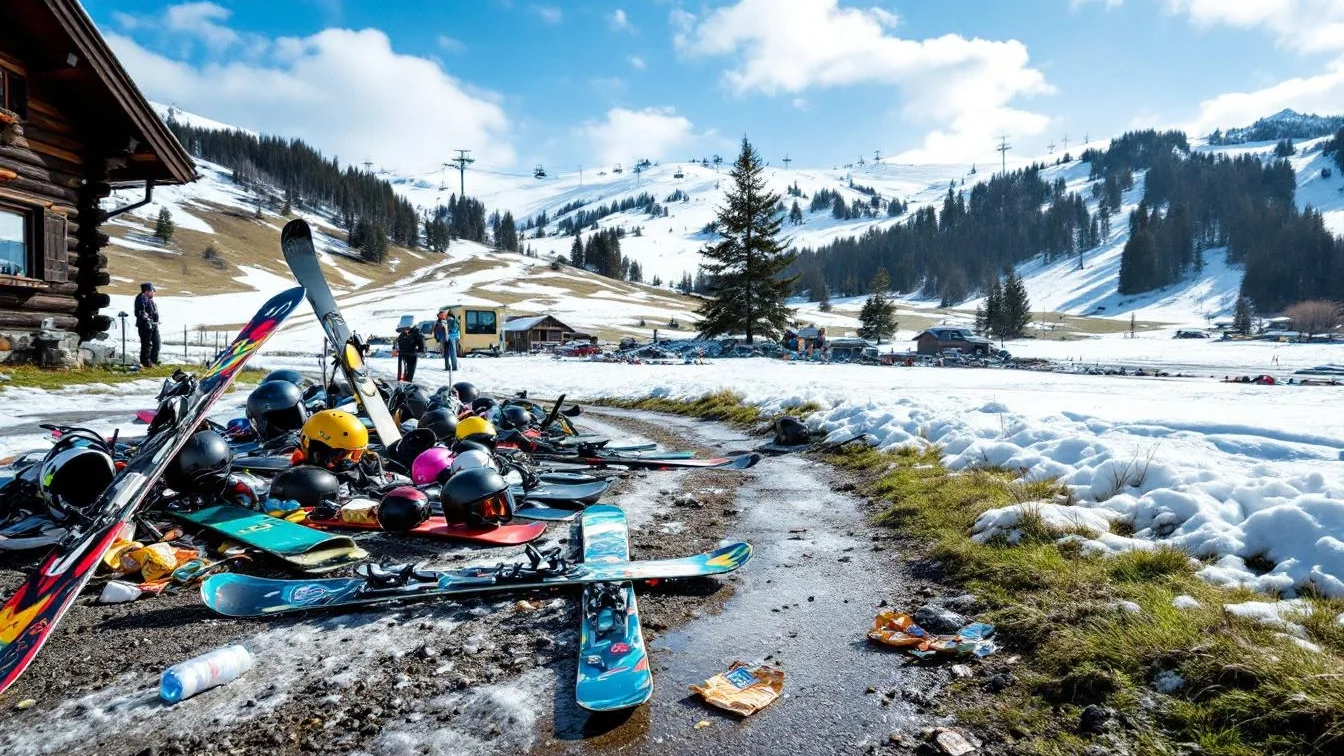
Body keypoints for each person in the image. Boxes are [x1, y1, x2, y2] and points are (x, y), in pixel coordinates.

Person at [133, 282, 161, 367]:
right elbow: (141, 312)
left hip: (153, 325)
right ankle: (146, 362)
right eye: (152, 291)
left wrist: (155, 320)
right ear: (146, 291)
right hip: (145, 326)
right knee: (146, 344)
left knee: (156, 343)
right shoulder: (141, 298)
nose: (153, 293)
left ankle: (153, 361)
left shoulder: (149, 300)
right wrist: (146, 318)